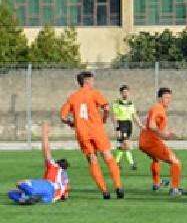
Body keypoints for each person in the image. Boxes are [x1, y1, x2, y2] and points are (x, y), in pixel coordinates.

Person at [60, 71, 123, 200]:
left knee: (92, 159)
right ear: (87, 81)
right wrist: (104, 119)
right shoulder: (94, 93)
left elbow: (63, 116)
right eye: (92, 80)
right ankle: (118, 186)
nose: (94, 83)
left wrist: (71, 123)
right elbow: (106, 108)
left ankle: (105, 191)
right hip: (97, 130)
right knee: (107, 155)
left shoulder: (73, 97)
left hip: (82, 133)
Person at [8, 122, 69, 205]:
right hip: (49, 199)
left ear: (58, 163)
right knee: (12, 193)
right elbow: (65, 196)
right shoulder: (65, 180)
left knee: (19, 183)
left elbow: (46, 150)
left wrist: (44, 134)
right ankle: (27, 199)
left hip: (48, 186)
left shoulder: (54, 166)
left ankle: (31, 195)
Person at [139, 87, 185, 196]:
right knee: (175, 162)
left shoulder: (159, 109)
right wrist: (164, 134)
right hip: (151, 142)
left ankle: (156, 183)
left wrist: (167, 133)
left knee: (156, 160)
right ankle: (174, 189)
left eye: (170, 98)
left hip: (144, 142)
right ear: (160, 98)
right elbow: (151, 125)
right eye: (166, 98)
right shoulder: (157, 108)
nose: (168, 100)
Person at [112, 85, 144, 170]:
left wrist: (140, 125)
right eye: (123, 92)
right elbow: (114, 116)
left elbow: (134, 115)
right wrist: (117, 128)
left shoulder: (131, 103)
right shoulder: (117, 103)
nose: (125, 93)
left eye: (127, 92)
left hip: (129, 124)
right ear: (121, 93)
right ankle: (132, 163)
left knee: (123, 145)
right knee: (126, 144)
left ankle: (116, 163)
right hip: (121, 124)